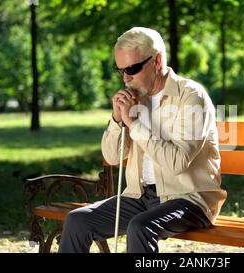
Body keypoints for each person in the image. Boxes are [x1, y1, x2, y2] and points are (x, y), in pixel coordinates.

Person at [58, 27, 226, 253]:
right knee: (77, 221)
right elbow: (111, 157)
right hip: (139, 195)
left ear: (157, 60)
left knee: (140, 226)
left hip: (188, 198)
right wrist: (117, 120)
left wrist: (135, 125)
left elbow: (177, 163)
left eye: (132, 69)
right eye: (121, 71)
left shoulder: (191, 96)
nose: (126, 78)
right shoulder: (136, 98)